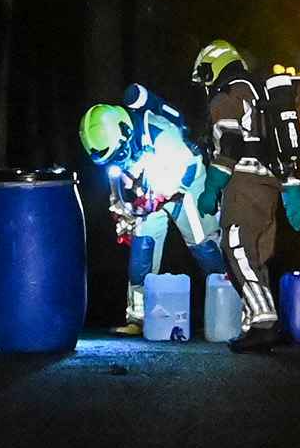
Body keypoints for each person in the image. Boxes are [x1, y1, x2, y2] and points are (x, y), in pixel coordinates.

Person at [192, 40, 300, 353]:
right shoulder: (260, 94)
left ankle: (262, 322)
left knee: (237, 249)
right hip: (270, 185)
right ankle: (254, 324)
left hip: (242, 184)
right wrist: (292, 192)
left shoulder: (227, 95)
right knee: (256, 255)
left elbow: (228, 146)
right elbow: (284, 151)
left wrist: (211, 188)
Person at [79, 84, 223, 335]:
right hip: (149, 191)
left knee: (204, 246)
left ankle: (230, 306)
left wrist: (160, 195)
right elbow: (117, 185)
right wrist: (122, 215)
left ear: (125, 133)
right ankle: (138, 317)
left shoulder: (158, 131)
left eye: (118, 156)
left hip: (185, 185)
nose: (117, 162)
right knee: (142, 249)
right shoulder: (114, 147)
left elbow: (188, 166)